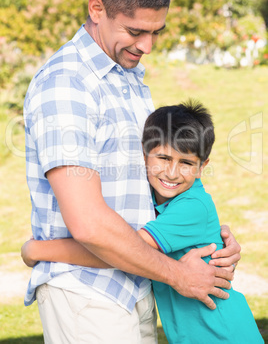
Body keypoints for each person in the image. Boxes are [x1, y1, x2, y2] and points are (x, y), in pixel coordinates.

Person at [23, 0, 240, 344]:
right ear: (96, 8)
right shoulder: (67, 83)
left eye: (155, 31)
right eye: (136, 31)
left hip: (138, 284)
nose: (147, 46)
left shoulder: (127, 75)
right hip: (88, 292)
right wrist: (179, 274)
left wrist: (211, 242)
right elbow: (88, 224)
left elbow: (144, 188)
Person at [22, 101, 263, 343]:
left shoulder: (192, 207)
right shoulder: (155, 196)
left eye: (186, 163)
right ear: (144, 153)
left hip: (224, 334)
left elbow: (123, 249)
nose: (171, 172)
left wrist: (38, 249)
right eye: (164, 158)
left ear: (202, 167)